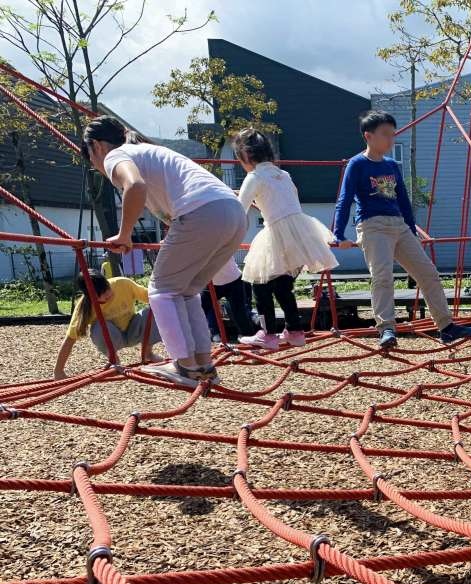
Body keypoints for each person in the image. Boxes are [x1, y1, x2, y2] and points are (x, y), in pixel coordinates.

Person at [82, 115, 247, 387]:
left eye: (91, 158)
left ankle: (184, 366)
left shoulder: (116, 156)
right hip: (233, 213)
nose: (96, 166)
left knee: (161, 290)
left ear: (97, 146)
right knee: (186, 291)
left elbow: (134, 186)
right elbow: (168, 206)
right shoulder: (149, 153)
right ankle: (203, 366)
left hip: (204, 212)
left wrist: (124, 234)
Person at [333, 110, 471, 349]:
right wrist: (339, 233)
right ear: (368, 136)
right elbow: (345, 198)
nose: (391, 140)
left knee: (428, 272)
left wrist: (411, 229)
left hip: (398, 225)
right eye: (385, 135)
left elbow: (402, 200)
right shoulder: (357, 164)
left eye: (393, 134)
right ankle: (387, 329)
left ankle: (446, 327)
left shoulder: (391, 165)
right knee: (383, 276)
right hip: (373, 225)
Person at [232, 129, 337, 350]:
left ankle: (268, 334)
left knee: (259, 284)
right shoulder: (283, 175)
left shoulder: (253, 177)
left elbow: (238, 208)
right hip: (299, 230)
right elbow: (283, 201)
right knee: (282, 285)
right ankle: (295, 330)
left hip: (276, 232)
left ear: (246, 157)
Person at [53, 272, 161, 379]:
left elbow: (152, 297)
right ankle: (114, 360)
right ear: (91, 297)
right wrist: (58, 371)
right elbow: (70, 339)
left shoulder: (123, 284)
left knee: (154, 309)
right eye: (102, 295)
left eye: (107, 289)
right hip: (112, 338)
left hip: (133, 330)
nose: (108, 295)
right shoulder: (85, 308)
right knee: (98, 327)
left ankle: (148, 353)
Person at [200, 257, 257, 341]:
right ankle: (216, 333)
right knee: (204, 305)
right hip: (223, 280)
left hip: (229, 280)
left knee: (238, 310)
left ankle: (246, 334)